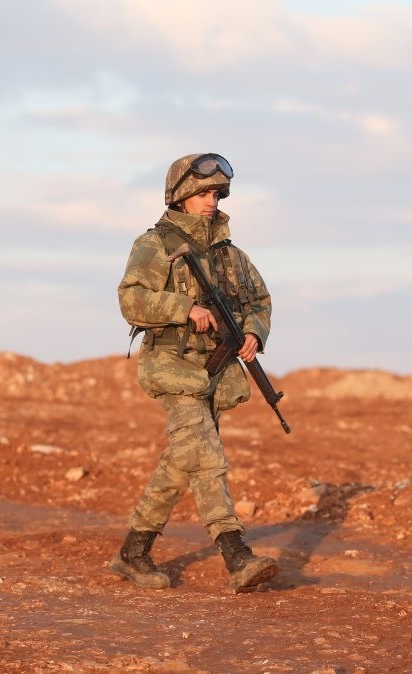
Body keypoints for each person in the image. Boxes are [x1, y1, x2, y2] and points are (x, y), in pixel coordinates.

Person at [111, 152, 278, 593]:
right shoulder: (156, 245)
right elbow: (131, 300)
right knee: (206, 456)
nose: (211, 200)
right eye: (203, 192)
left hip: (216, 371)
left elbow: (259, 301)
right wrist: (183, 307)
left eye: (216, 193)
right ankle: (236, 553)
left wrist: (253, 334)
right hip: (172, 367)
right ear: (182, 195)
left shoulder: (231, 255)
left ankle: (133, 552)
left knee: (183, 462)